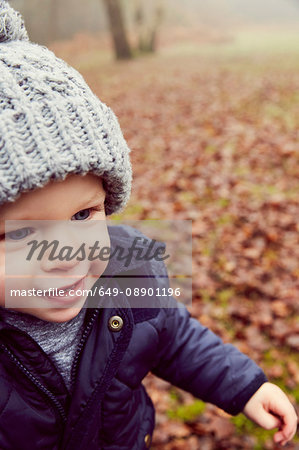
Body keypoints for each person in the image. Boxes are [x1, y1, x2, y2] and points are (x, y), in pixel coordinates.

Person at [0, 2, 297, 449]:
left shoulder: (128, 273)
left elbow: (175, 337)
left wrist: (244, 386)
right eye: (21, 234)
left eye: (83, 216)